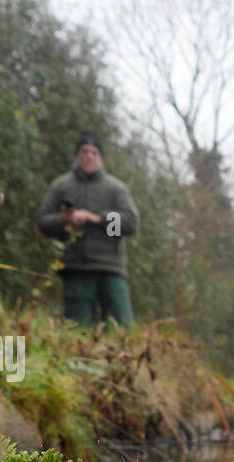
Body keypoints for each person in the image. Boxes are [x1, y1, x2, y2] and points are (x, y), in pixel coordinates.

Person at [36, 131, 139, 327]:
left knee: (124, 331)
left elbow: (130, 224)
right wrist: (63, 220)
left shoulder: (115, 189)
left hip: (110, 269)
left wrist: (96, 219)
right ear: (77, 156)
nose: (89, 156)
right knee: (77, 333)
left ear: (100, 158)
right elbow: (42, 223)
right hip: (76, 270)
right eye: (84, 151)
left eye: (94, 152)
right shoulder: (61, 186)